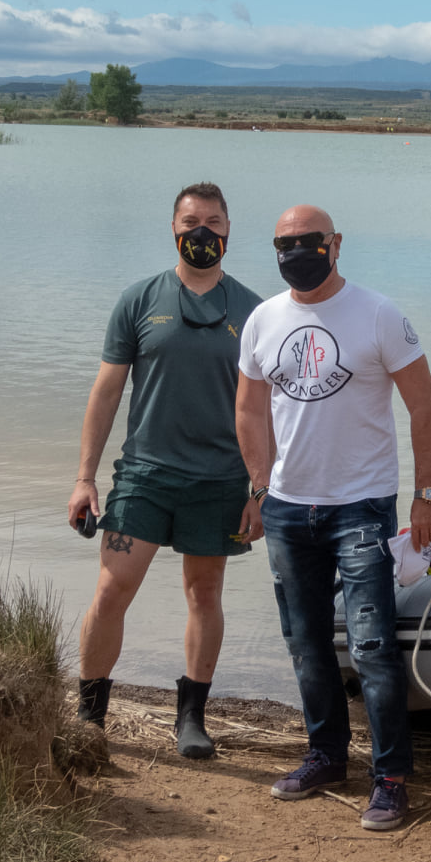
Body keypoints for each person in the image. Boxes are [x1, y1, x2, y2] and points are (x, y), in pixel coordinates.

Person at [234, 205, 431, 831]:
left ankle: (391, 778)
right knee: (305, 643)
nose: (297, 252)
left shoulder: (379, 314)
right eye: (284, 244)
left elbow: (424, 406)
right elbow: (248, 408)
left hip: (362, 504)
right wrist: (259, 483)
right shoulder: (264, 320)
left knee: (374, 647)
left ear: (336, 244)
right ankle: (326, 755)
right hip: (290, 507)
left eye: (309, 242)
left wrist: (426, 495)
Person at [68, 183, 263, 759]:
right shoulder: (138, 300)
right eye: (190, 221)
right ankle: (90, 717)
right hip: (145, 476)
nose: (201, 231)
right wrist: (85, 476)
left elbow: (268, 411)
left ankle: (192, 717)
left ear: (229, 230)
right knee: (111, 590)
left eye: (212, 221)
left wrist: (261, 488)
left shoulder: (254, 311)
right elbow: (105, 394)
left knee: (205, 593)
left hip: (220, 481)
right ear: (172, 229)